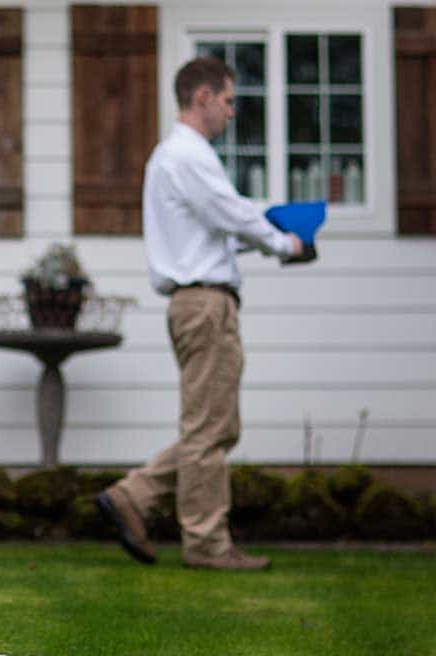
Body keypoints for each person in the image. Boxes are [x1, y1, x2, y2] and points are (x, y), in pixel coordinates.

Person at [96, 56, 312, 571]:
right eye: (229, 101)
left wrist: (266, 241)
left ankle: (135, 494)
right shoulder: (187, 155)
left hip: (201, 298)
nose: (233, 113)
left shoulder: (175, 158)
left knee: (217, 426)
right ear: (203, 97)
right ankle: (207, 543)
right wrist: (285, 243)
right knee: (208, 429)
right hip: (205, 304)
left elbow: (215, 234)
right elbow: (233, 212)